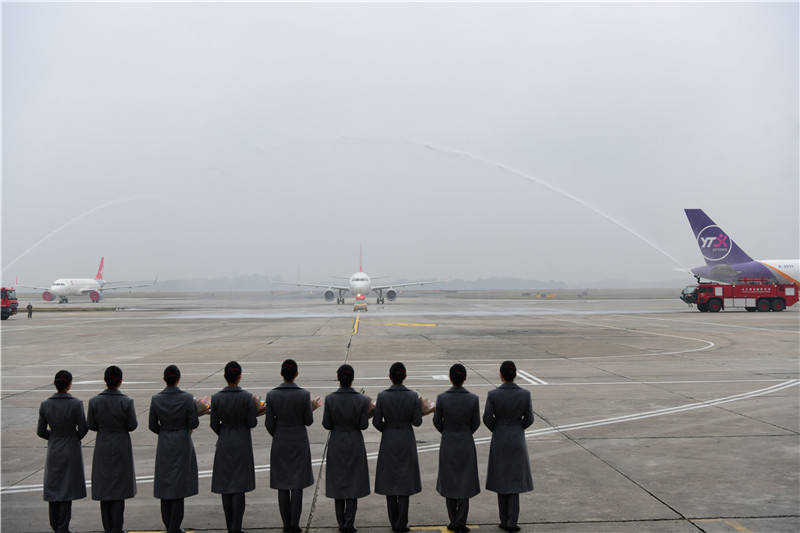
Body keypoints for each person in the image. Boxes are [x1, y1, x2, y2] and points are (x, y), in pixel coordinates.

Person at [265, 359, 316, 533]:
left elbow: (268, 424)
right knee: (297, 484)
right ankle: (294, 523)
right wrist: (312, 407)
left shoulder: (272, 395)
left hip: (280, 440)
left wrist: (279, 435)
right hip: (299, 440)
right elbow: (308, 421)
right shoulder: (304, 395)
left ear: (281, 373)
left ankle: (286, 524)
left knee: (282, 484)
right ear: (296, 374)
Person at [483, 361, 534, 532]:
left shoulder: (493, 395)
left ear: (501, 375)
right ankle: (512, 521)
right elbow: (529, 419)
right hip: (516, 437)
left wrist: (498, 428)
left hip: (500, 437)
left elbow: (487, 419)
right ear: (515, 374)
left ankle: (503, 519)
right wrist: (517, 428)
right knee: (514, 481)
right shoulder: (525, 394)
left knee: (501, 478)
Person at [149, 364, 199, 533]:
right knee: (179, 487)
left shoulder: (156, 399)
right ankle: (174, 527)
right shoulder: (186, 398)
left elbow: (152, 425)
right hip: (182, 441)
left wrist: (165, 432)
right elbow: (193, 423)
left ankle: (168, 525)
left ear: (165, 379)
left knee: (165, 486)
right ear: (178, 379)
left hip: (164, 441)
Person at [373, 362, 422, 533]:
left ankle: (393, 521)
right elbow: (417, 421)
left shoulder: (382, 396)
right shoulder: (413, 396)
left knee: (390, 482)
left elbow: (377, 422)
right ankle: (402, 522)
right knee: (404, 483)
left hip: (389, 439)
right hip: (406, 439)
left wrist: (388, 429)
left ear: (390, 377)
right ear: (405, 377)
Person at [36, 370, 88, 533]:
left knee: (54, 488)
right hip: (71, 447)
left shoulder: (46, 404)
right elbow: (83, 428)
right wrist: (73, 437)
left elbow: (41, 431)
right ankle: (63, 526)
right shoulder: (76, 404)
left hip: (54, 447)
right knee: (67, 489)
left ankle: (55, 523)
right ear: (69, 384)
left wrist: (55, 437)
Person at [87, 366, 138, 533]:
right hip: (121, 444)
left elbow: (92, 425)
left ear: (105, 380)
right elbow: (132, 425)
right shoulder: (126, 402)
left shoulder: (94, 401)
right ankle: (117, 527)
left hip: (103, 444)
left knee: (105, 489)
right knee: (119, 490)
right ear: (120, 381)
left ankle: (108, 527)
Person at [322, 364, 371, 533]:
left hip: (336, 441)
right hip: (354, 441)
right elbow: (363, 425)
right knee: (353, 482)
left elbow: (327, 424)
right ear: (353, 379)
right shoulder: (362, 400)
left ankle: (341, 522)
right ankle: (349, 522)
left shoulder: (330, 399)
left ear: (338, 378)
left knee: (339, 483)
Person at [210, 361, 257, 533]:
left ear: (225, 376)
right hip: (242, 441)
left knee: (226, 486)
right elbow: (252, 422)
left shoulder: (216, 398)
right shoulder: (247, 397)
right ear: (240, 377)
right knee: (239, 487)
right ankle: (237, 526)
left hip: (224, 441)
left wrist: (224, 433)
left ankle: (230, 525)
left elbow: (214, 424)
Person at [433, 364, 480, 533]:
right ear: (464, 378)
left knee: (450, 480)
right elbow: (476, 423)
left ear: (450, 378)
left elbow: (437, 422)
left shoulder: (442, 398)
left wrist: (448, 432)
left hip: (448, 442)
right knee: (464, 482)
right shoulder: (473, 398)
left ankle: (453, 519)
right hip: (466, 441)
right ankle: (461, 521)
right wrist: (465, 432)